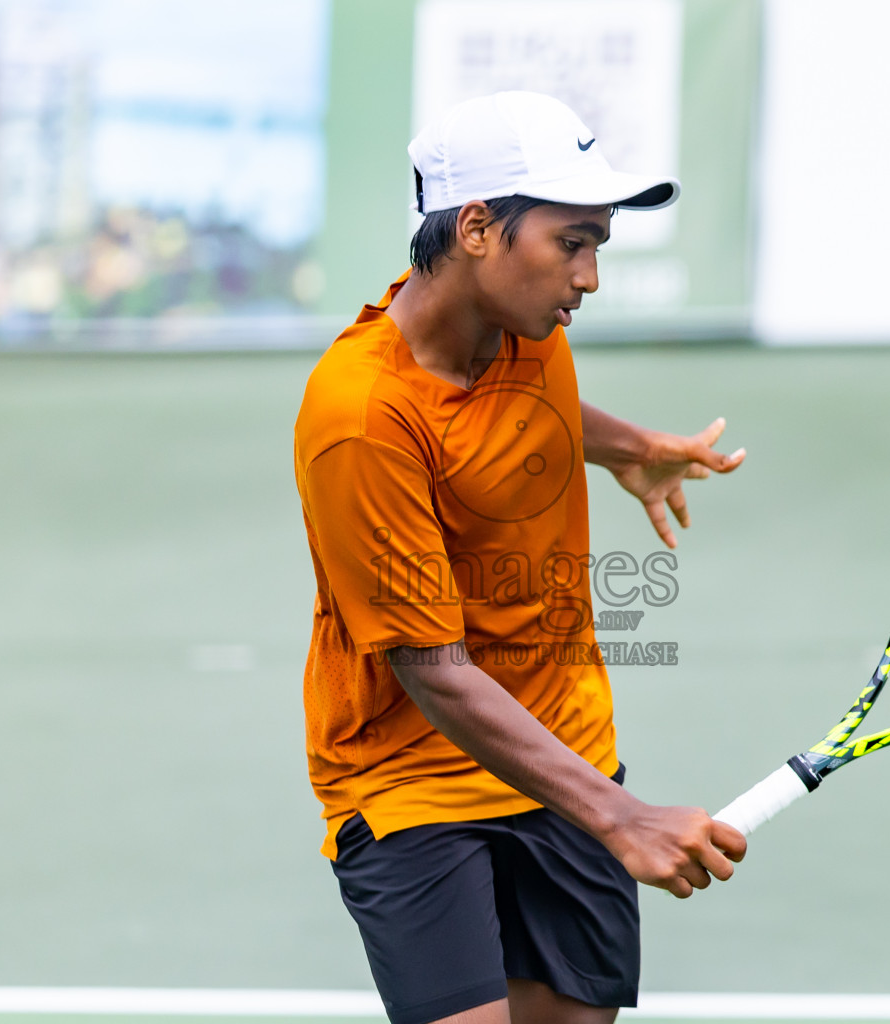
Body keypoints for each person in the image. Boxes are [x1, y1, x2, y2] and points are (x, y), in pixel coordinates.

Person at [293, 91, 748, 1024]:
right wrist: (618, 817)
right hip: (411, 782)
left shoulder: (524, 326)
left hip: (565, 744)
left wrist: (623, 445)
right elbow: (433, 672)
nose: (588, 277)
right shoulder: (358, 420)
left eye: (598, 248)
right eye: (571, 245)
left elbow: (510, 412)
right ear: (474, 228)